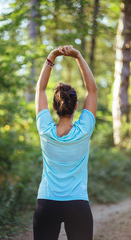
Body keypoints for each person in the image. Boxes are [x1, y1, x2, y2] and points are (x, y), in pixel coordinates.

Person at [34, 45, 97, 240]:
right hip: (78, 204)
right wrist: (78, 56)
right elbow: (92, 90)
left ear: (53, 107)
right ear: (76, 107)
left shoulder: (45, 128)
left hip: (46, 204)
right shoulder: (84, 130)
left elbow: (40, 89)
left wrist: (52, 56)